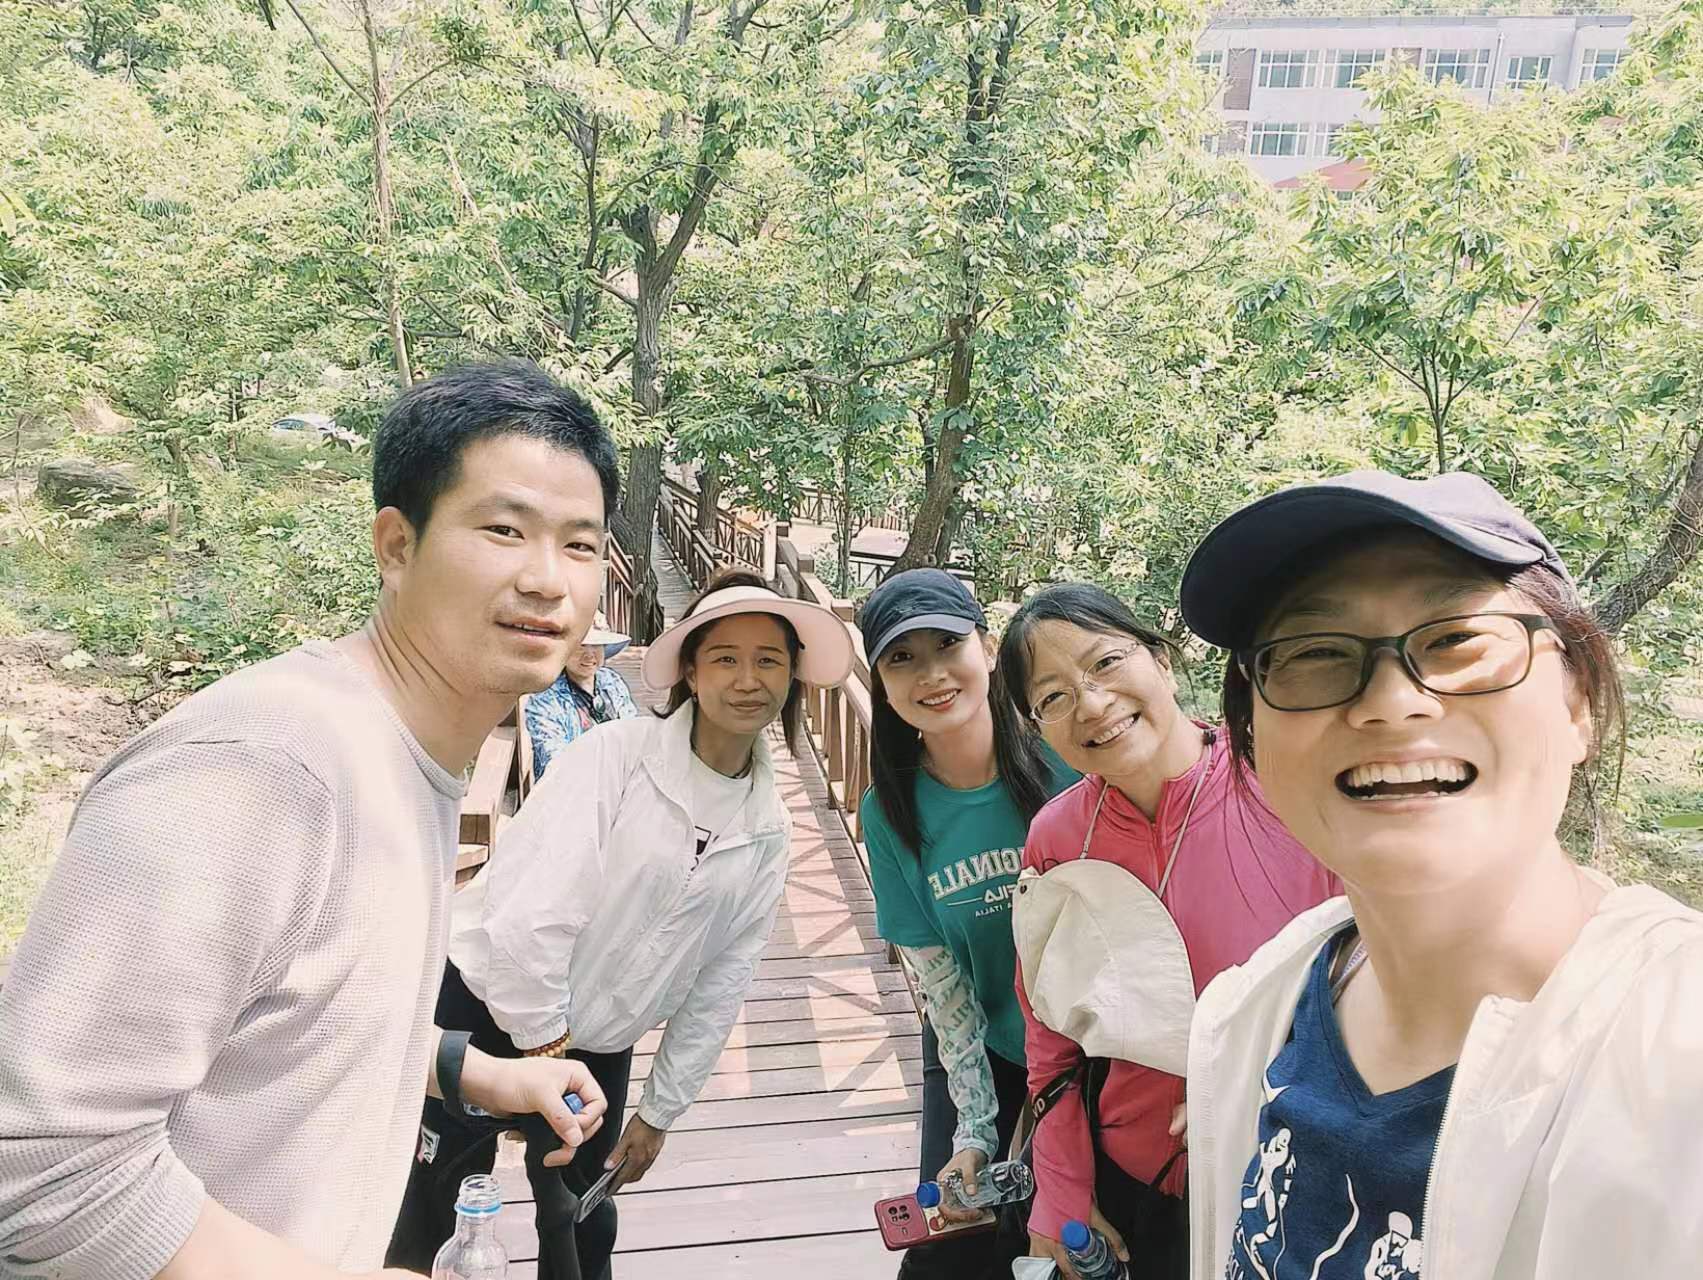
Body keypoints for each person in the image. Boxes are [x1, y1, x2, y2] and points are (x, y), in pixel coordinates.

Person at [0, 361, 617, 1280]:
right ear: (395, 545)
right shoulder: (260, 769)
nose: (546, 579)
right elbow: (41, 1164)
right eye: (503, 530)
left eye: (580, 545)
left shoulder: (402, 757)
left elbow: (280, 1014)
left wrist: (473, 1071)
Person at [1176, 470, 1703, 1280]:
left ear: (1577, 706)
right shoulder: (1248, 1016)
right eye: (1315, 653)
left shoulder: (1676, 1056)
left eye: (1456, 639)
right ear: (1251, 740)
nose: (1391, 702)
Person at [387, 567, 854, 1279]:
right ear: (691, 671)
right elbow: (531, 919)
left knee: (580, 1219)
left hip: (600, 1039)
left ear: (792, 676)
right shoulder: (615, 757)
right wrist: (547, 1051)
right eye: (724, 658)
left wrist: (660, 1110)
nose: (747, 679)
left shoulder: (768, 827)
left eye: (768, 660)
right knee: (434, 1204)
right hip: (483, 1003)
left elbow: (722, 980)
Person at [994, 583, 1339, 1280]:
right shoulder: (1057, 839)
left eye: (1105, 663)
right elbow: (1050, 1038)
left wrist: (1255, 1084)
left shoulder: (1283, 783)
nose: (1092, 704)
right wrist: (1062, 1186)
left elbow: (1376, 980)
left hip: (1289, 1177)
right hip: (1132, 1187)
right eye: (1053, 697)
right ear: (1037, 728)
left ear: (1161, 659)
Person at [855, 569, 1079, 1280]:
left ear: (986, 647)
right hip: (983, 1041)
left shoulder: (1067, 762)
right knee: (949, 1245)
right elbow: (944, 988)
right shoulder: (889, 810)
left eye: (947, 645)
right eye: (902, 657)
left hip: (1095, 1050)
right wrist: (975, 1130)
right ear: (881, 682)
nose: (931, 674)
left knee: (1064, 1243)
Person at [525, 610, 641, 779]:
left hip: (620, 779)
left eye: (597, 645)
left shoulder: (611, 681)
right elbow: (554, 759)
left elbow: (633, 733)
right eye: (581, 645)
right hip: (573, 787)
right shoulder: (544, 698)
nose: (589, 655)